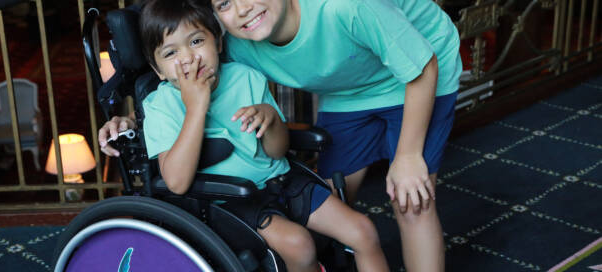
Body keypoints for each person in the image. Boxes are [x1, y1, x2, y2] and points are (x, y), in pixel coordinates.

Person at [101, 0, 462, 270]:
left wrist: (272, 119)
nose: (189, 60)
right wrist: (134, 122)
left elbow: (277, 150)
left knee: (402, 206)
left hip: (417, 68)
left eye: (197, 42)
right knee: (313, 232)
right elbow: (171, 145)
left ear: (215, 42)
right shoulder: (234, 53)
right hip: (248, 189)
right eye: (225, 3)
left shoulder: (245, 73)